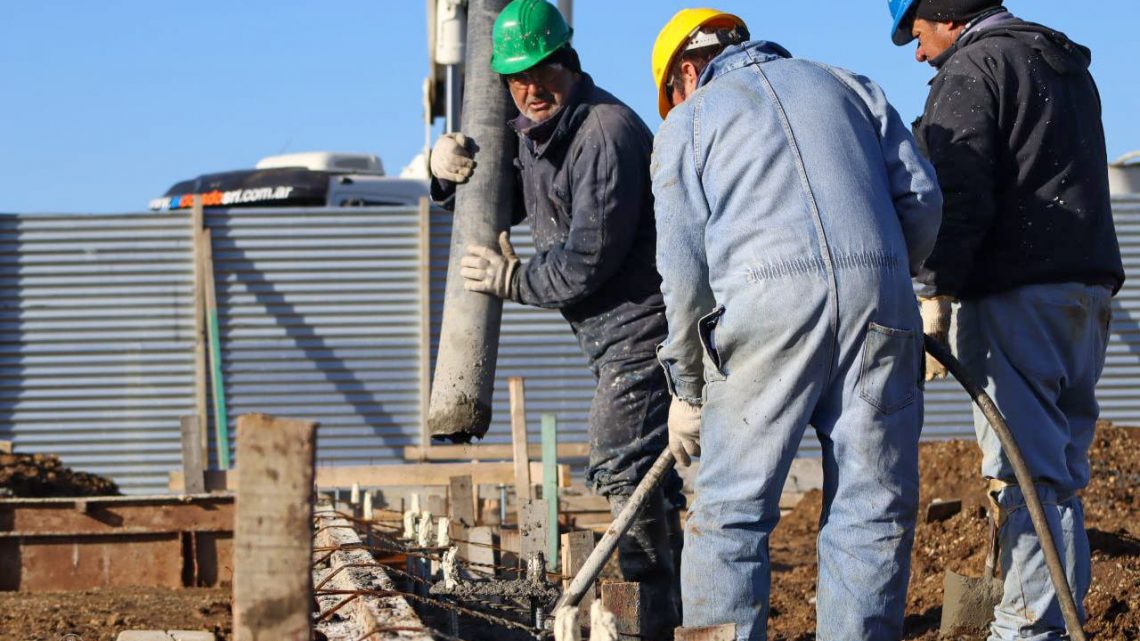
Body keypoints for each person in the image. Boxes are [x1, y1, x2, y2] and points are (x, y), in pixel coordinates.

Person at [650, 9, 943, 641]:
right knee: (872, 507)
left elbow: (683, 273)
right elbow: (921, 199)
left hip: (765, 315)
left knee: (731, 515)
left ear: (687, 72)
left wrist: (687, 386)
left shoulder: (688, 124)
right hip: (879, 306)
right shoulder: (851, 85)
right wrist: (892, 278)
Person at [428, 1, 682, 635]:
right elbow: (496, 202)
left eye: (543, 73)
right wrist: (444, 175)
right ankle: (670, 608)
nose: (532, 90)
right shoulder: (537, 135)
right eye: (518, 80)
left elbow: (588, 258)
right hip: (609, 335)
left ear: (569, 62)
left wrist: (511, 278)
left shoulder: (604, 132)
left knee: (622, 459)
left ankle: (657, 616)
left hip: (645, 327)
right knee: (644, 468)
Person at [887, 1, 1125, 638]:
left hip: (1018, 297)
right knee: (1059, 475)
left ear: (945, 14)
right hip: (1086, 292)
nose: (919, 53)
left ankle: (1029, 629)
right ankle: (1054, 616)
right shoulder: (1064, 63)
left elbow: (958, 188)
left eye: (917, 34)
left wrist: (933, 290)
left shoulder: (975, 68)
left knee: (1023, 475)